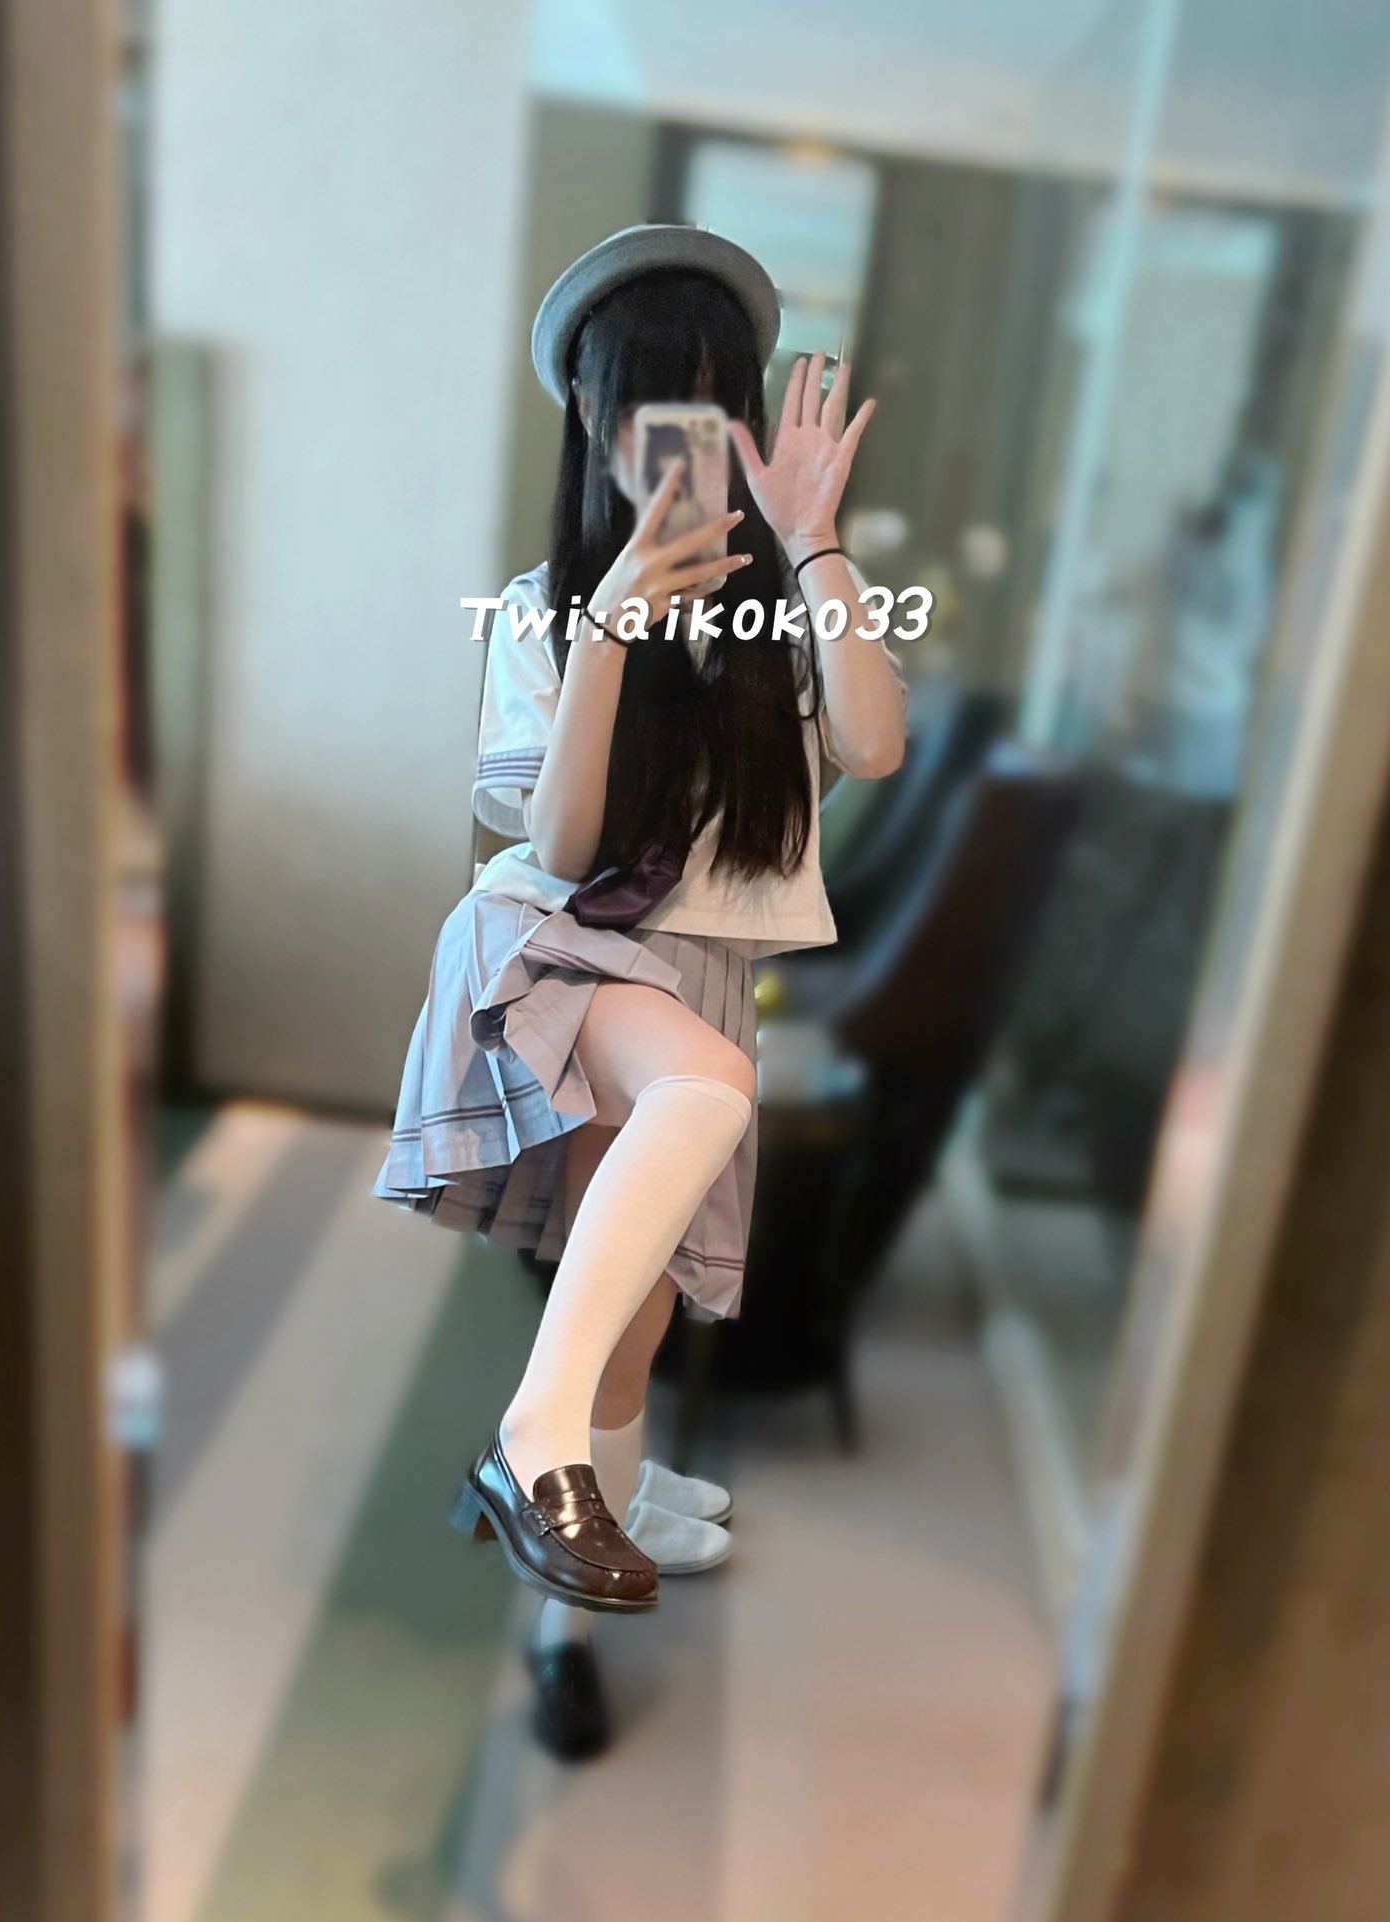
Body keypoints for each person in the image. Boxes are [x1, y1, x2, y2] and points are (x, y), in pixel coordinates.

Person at [375, 225, 907, 1755]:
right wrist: (612, 621)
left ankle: (570, 1604)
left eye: (711, 406)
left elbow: (873, 744)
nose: (678, 442)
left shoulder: (776, 614)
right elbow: (558, 846)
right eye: (647, 409)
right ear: (595, 425)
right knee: (703, 1095)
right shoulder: (542, 607)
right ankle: (534, 1445)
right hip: (559, 950)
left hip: (693, 983)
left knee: (630, 1331)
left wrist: (815, 542)